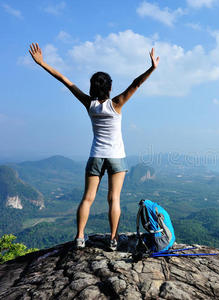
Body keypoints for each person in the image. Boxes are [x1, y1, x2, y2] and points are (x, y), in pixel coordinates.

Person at [28, 42, 159, 250]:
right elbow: (136, 83)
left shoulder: (89, 104)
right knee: (113, 198)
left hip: (96, 155)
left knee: (87, 198)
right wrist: (152, 68)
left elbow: (65, 80)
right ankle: (114, 240)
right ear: (109, 87)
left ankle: (80, 237)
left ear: (92, 88)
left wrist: (42, 63)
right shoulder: (117, 103)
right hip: (116, 156)